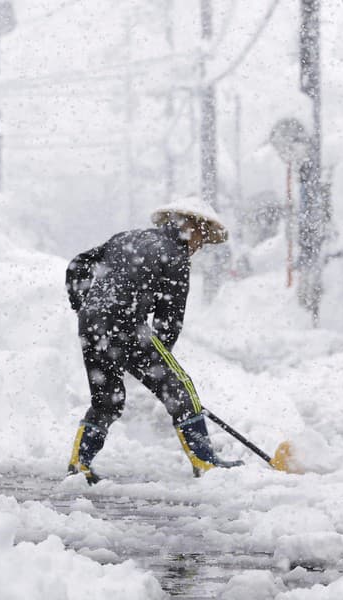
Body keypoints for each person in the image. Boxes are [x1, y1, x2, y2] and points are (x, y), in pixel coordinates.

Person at [65, 196, 243, 483]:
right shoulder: (175, 255)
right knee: (181, 388)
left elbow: (78, 264)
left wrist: (84, 305)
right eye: (202, 239)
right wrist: (160, 366)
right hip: (126, 324)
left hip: (92, 325)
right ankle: (205, 461)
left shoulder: (126, 238)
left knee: (107, 400)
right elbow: (169, 321)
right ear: (192, 228)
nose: (199, 247)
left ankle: (79, 462)